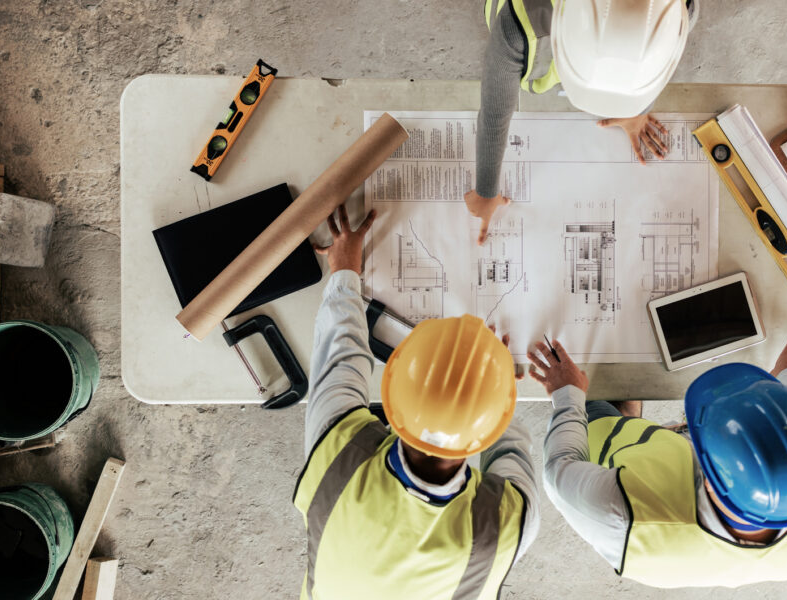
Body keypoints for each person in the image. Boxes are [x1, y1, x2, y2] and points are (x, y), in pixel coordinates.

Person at [293, 205, 540, 599]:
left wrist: (343, 270)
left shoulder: (337, 458)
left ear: (392, 390)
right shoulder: (503, 527)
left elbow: (341, 353)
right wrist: (489, 378)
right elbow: (510, 445)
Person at [531, 331, 787, 588]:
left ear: (705, 471)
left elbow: (559, 467)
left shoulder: (624, 516)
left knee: (601, 415)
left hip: (635, 479)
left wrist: (567, 393)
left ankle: (621, 417)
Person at [467, 0, 701, 244]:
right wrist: (485, 190)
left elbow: (656, 62)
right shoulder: (518, 25)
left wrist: (637, 109)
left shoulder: (678, 12)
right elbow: (495, 114)